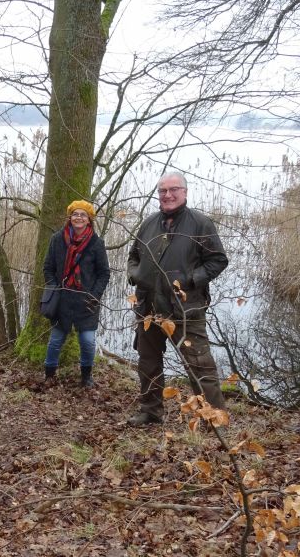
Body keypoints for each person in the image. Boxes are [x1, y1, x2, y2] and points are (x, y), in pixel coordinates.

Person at [126, 173, 229, 426]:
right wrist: (135, 276)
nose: (168, 195)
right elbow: (133, 256)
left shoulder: (200, 224)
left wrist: (190, 280)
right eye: (162, 191)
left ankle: (213, 419)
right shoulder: (149, 223)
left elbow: (218, 260)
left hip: (185, 310)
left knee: (200, 367)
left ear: (185, 192)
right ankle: (150, 412)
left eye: (174, 190)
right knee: (148, 363)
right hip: (148, 309)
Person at [41, 200, 111, 388]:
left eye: (83, 215)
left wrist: (94, 295)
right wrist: (55, 287)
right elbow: (47, 268)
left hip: (86, 301)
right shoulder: (57, 239)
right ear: (69, 218)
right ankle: (49, 375)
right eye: (75, 214)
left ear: (89, 219)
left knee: (87, 342)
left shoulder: (97, 243)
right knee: (55, 340)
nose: (79, 218)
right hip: (62, 300)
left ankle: (86, 376)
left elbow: (104, 273)